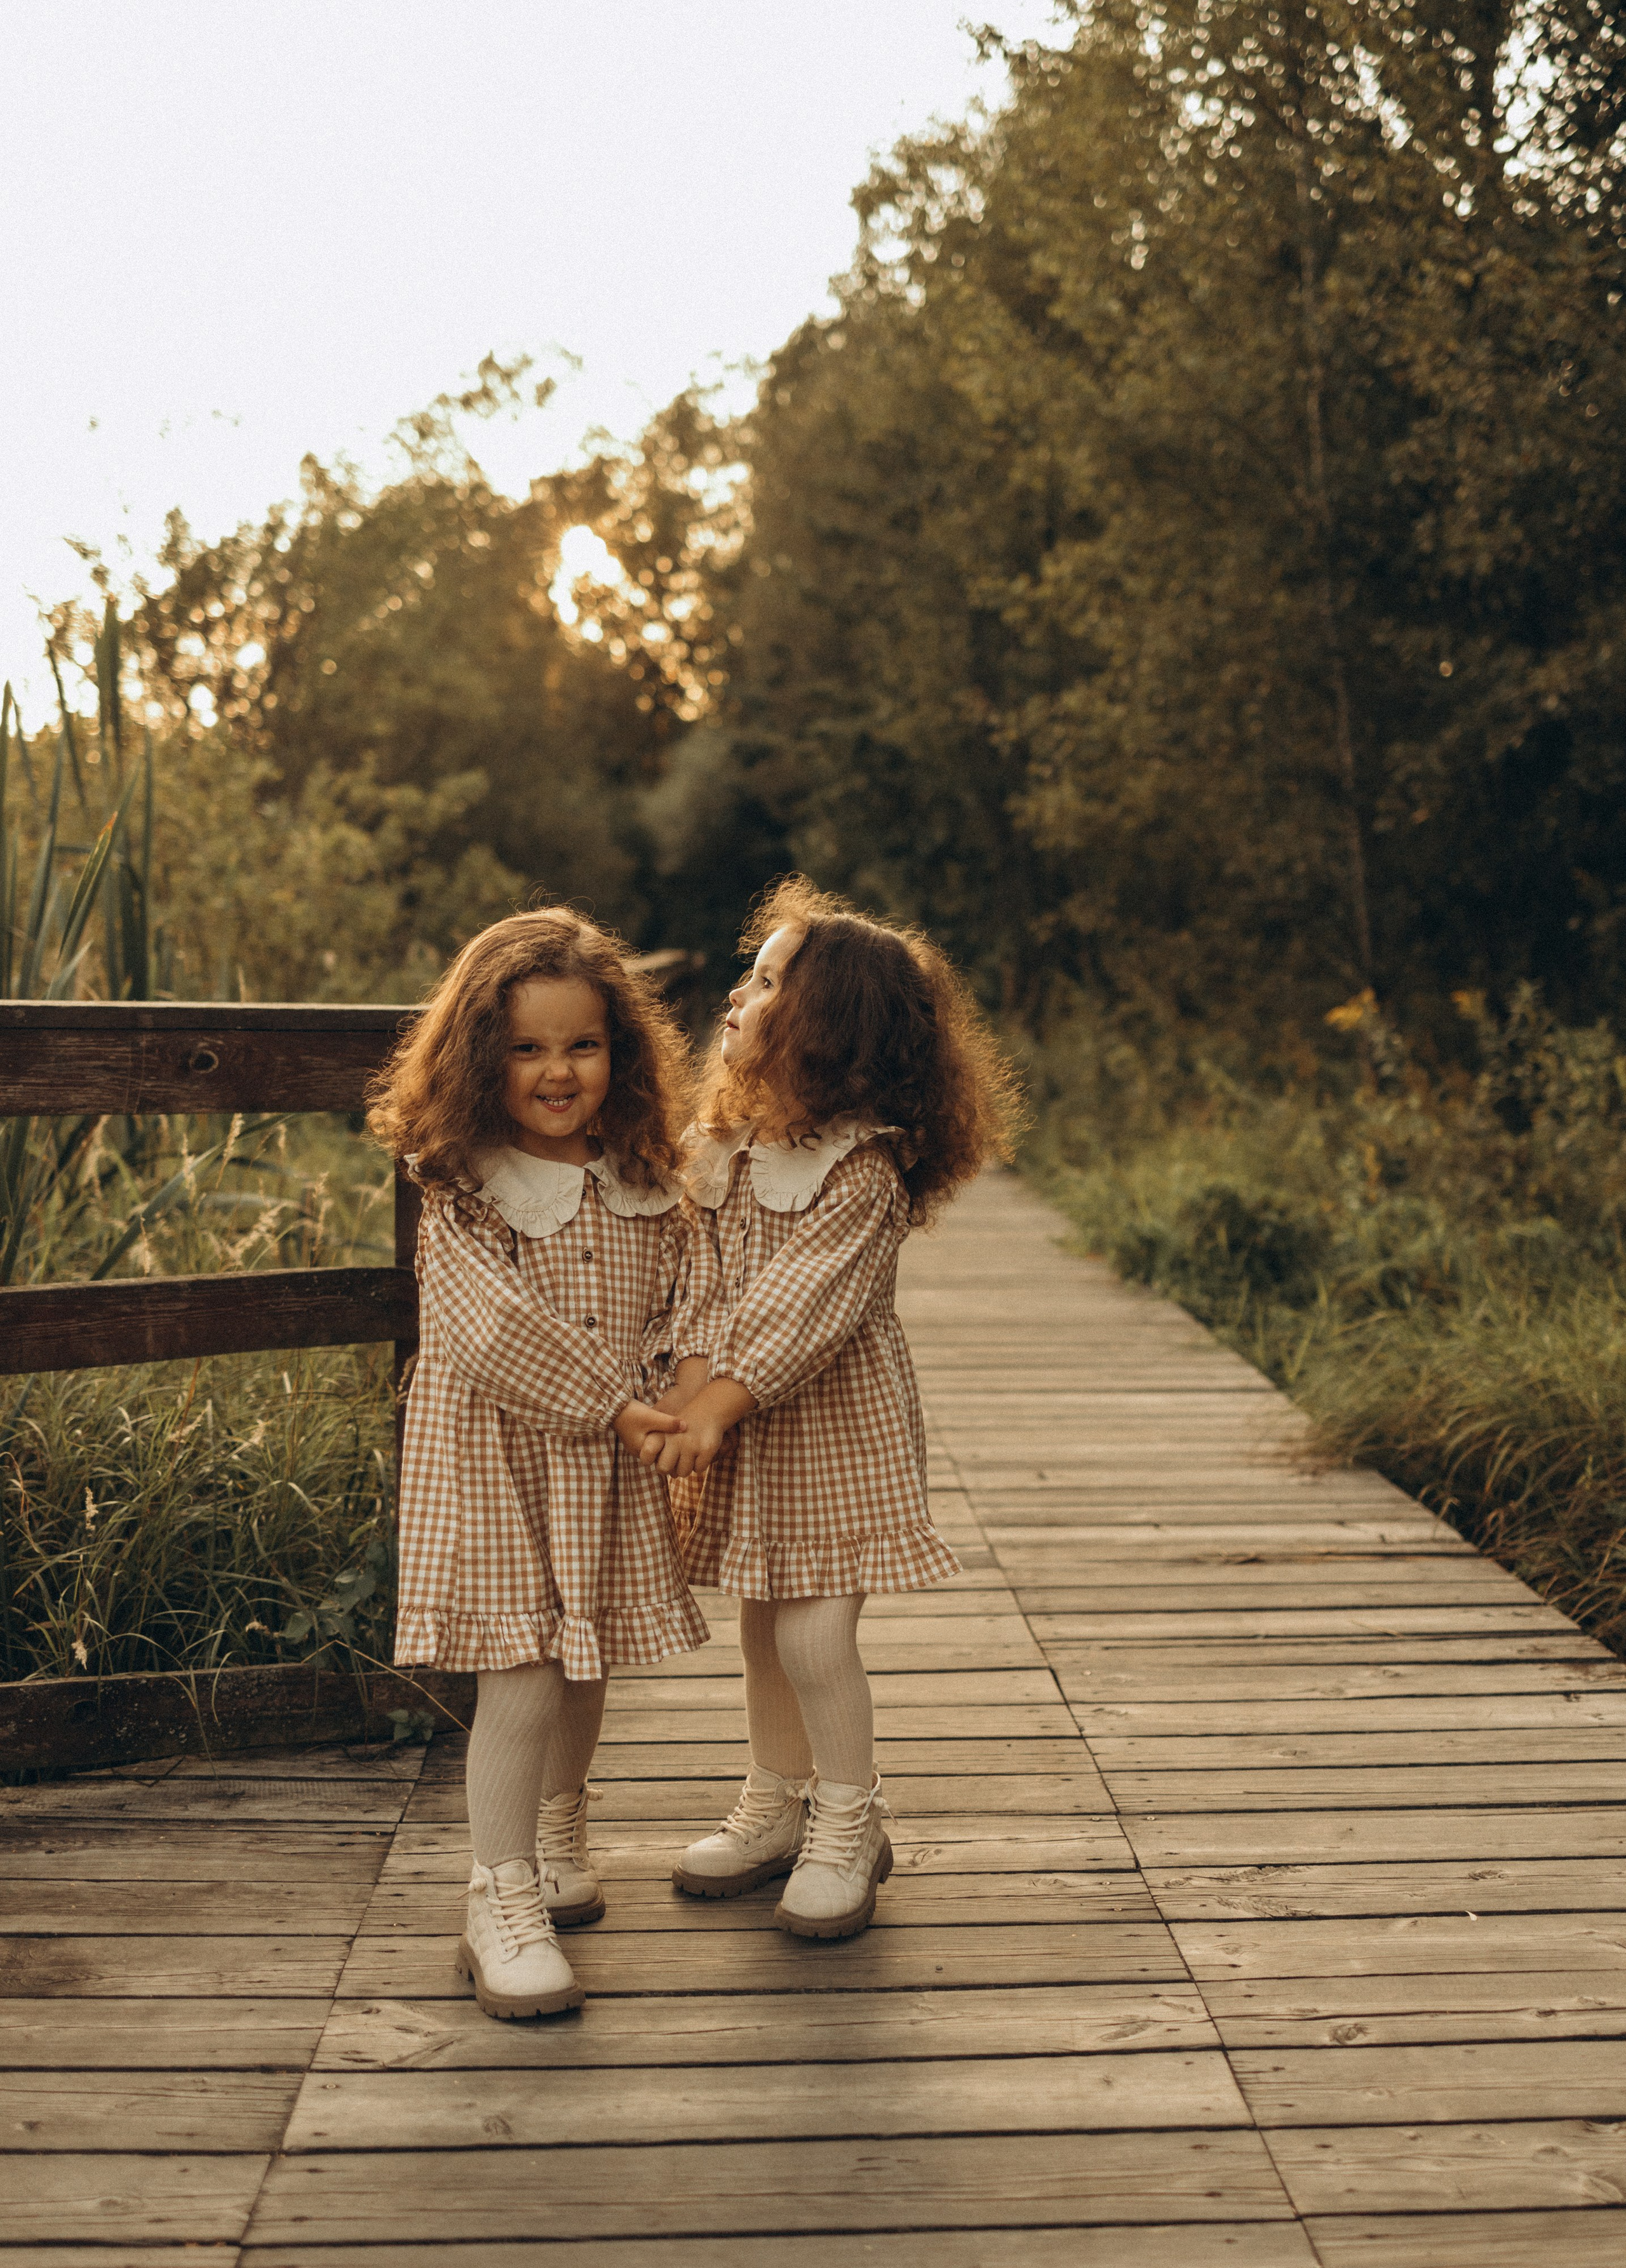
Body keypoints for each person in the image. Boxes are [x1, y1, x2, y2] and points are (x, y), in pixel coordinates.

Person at [654, 877, 1022, 1939]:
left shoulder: (861, 1170)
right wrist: (683, 1376)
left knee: (817, 1637)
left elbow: (805, 1308)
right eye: (748, 973)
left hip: (831, 1436)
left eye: (765, 982)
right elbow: (695, 1277)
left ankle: (849, 1818)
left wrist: (716, 1396)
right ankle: (777, 1800)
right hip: (747, 1432)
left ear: (825, 1028)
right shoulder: (724, 1148)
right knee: (764, 1629)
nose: (735, 995)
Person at [368, 908, 711, 2019]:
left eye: (582, 1044)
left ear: (621, 1050)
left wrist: (674, 1386)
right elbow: (489, 1328)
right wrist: (616, 1404)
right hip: (498, 1461)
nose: (558, 1071)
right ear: (480, 1057)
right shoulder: (463, 1183)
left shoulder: (645, 1178)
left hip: (605, 1459)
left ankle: (559, 1826)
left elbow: (688, 1291)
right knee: (519, 1667)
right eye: (526, 1048)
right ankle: (496, 1892)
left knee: (586, 1650)